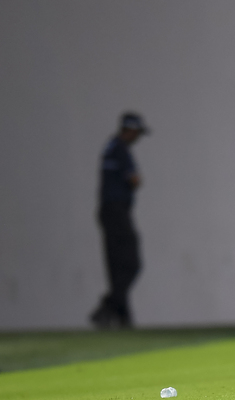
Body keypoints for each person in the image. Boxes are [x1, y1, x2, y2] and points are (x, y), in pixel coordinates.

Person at [90, 112, 149, 329]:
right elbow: (134, 179)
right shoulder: (121, 150)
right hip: (117, 212)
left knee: (116, 266)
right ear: (130, 130)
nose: (138, 138)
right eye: (137, 133)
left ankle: (122, 317)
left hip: (108, 211)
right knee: (132, 263)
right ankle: (108, 307)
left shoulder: (111, 147)